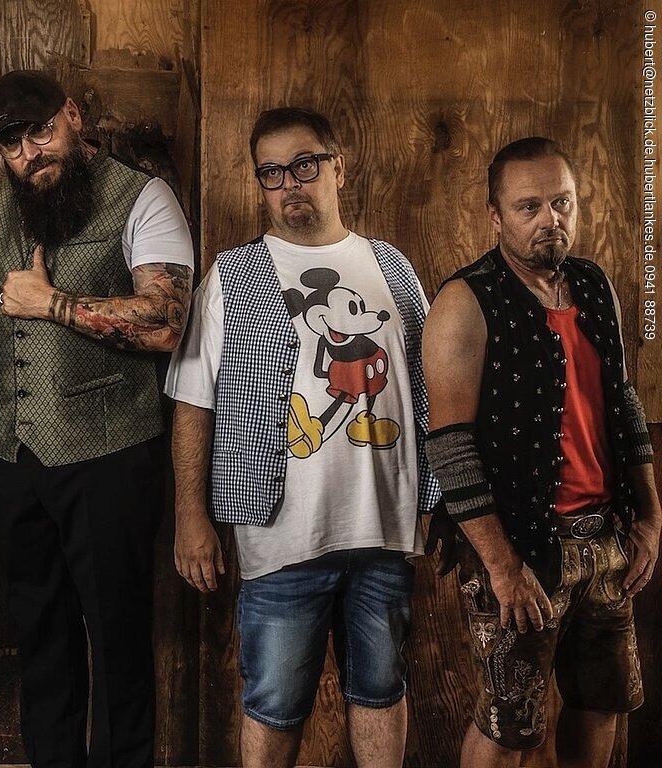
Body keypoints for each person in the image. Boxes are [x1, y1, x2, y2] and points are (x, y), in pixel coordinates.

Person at [165, 106, 438, 768]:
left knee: (382, 691)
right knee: (275, 704)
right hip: (282, 535)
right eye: (272, 172)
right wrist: (190, 516)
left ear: (337, 168)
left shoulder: (392, 268)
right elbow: (194, 403)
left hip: (386, 530)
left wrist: (443, 500)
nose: (290, 183)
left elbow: (432, 391)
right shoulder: (234, 275)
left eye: (304, 165)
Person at [0, 70, 194, 768]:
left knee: (117, 643)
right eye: (12, 144)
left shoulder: (143, 198)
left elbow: (167, 322)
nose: (30, 153)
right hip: (12, 459)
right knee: (41, 640)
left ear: (72, 115)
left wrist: (52, 302)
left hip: (111, 457)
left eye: (40, 131)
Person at [422, 136, 661, 768]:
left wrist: (650, 516)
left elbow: (624, 404)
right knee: (509, 726)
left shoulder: (593, 286)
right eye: (529, 207)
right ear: (495, 216)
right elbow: (450, 448)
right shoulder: (465, 303)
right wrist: (501, 566)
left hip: (605, 540)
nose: (549, 220)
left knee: (601, 703)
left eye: (562, 203)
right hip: (520, 548)